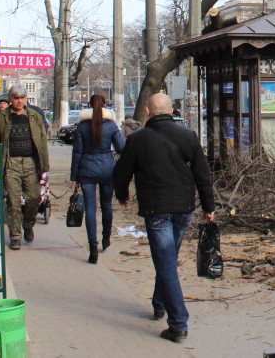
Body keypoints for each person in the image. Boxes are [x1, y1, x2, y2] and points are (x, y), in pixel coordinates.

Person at [113, 93, 215, 344]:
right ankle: (159, 304)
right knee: (168, 260)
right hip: (183, 208)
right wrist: (208, 207)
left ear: (148, 112)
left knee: (166, 263)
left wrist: (122, 194)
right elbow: (203, 174)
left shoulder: (137, 140)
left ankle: (178, 323)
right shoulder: (188, 136)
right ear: (171, 112)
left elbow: (121, 172)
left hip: (156, 210)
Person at [0, 86, 49, 250]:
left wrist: (44, 165)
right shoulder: (2, 118)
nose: (19, 101)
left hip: (31, 164)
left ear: (26, 98)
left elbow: (43, 142)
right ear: (10, 99)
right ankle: (15, 236)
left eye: (22, 98)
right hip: (11, 164)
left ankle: (28, 225)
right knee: (13, 202)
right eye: (16, 98)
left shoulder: (34, 117)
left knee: (34, 198)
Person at [72, 94, 125, 264]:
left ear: (88, 106)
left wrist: (74, 176)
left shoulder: (82, 126)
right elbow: (121, 148)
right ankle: (106, 238)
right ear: (104, 106)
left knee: (90, 208)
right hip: (107, 169)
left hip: (86, 169)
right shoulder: (111, 125)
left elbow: (77, 152)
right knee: (107, 205)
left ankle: (92, 246)